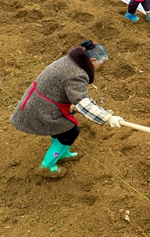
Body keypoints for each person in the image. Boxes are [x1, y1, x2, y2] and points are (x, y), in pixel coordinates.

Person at [10, 40, 123, 178]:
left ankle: (62, 153)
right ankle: (47, 165)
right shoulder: (77, 74)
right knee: (71, 131)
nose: (100, 67)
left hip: (42, 100)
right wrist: (108, 117)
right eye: (100, 64)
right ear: (93, 60)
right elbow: (82, 102)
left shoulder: (71, 61)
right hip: (41, 108)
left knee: (62, 129)